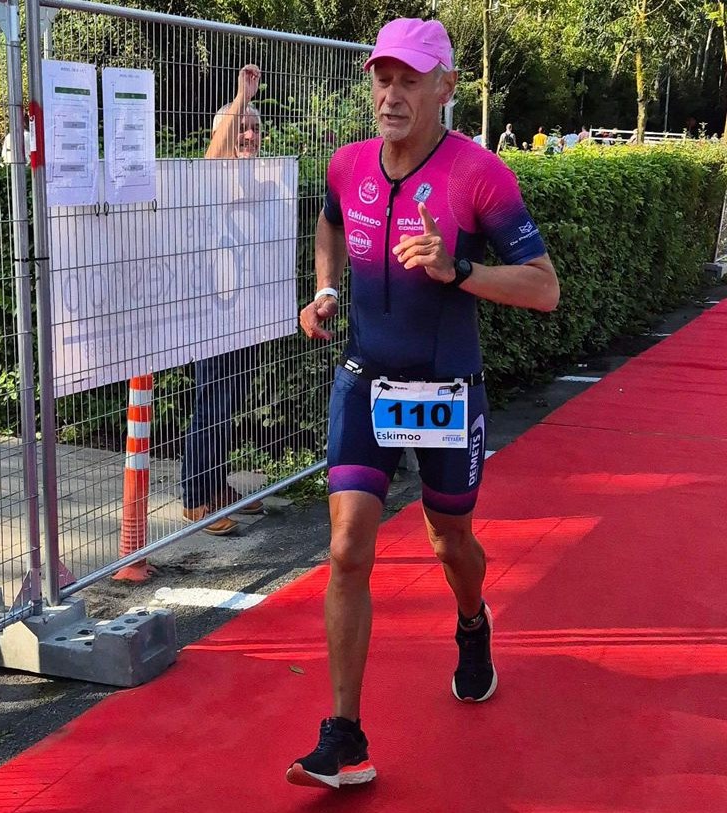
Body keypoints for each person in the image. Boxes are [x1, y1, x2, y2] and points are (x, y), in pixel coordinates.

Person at [289, 17, 558, 790]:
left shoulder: (480, 175)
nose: (391, 95)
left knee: (450, 544)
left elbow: (544, 288)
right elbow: (332, 220)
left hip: (445, 390)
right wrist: (325, 289)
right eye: (382, 78)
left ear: (445, 86)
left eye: (409, 79)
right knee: (346, 549)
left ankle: (472, 620)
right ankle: (344, 734)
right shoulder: (347, 164)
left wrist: (458, 267)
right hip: (364, 379)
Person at [180, 65, 265, 536]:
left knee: (230, 399)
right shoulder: (212, 178)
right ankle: (195, 498)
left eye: (254, 128)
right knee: (211, 398)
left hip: (248, 312)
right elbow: (215, 157)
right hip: (214, 310)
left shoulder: (262, 180)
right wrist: (241, 98)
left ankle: (215, 485)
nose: (249, 134)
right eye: (241, 128)